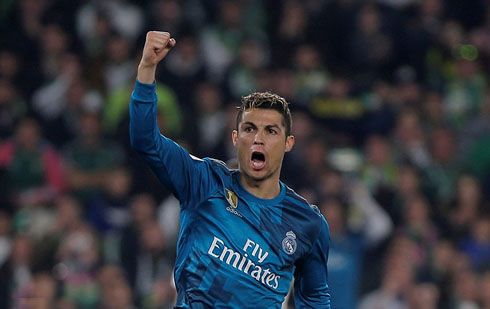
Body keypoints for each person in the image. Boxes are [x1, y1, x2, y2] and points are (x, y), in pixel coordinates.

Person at [129, 31, 331, 308]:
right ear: (235, 138)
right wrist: (147, 68)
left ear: (288, 143)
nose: (258, 138)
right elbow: (145, 141)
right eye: (249, 129)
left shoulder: (310, 224)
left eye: (270, 131)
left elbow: (315, 299)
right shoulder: (203, 180)